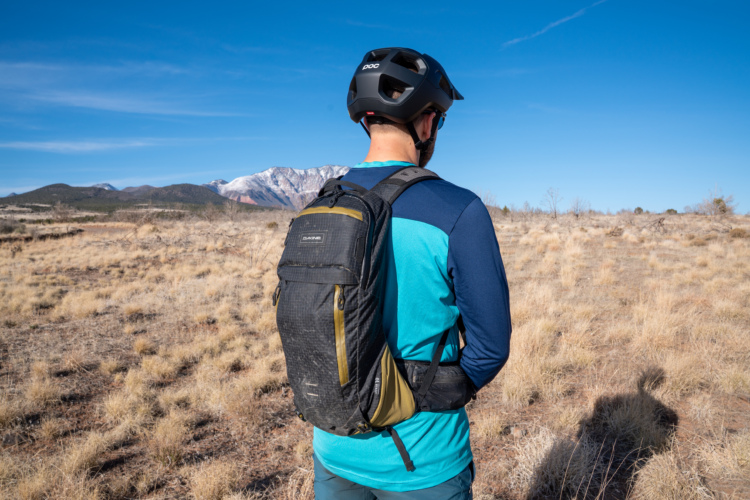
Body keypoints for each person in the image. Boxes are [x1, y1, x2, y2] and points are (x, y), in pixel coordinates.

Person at [312, 47, 512, 499]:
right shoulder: (459, 210)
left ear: (367, 120)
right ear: (426, 122)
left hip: (332, 445)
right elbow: (491, 346)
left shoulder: (321, 204)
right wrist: (433, 390)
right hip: (422, 460)